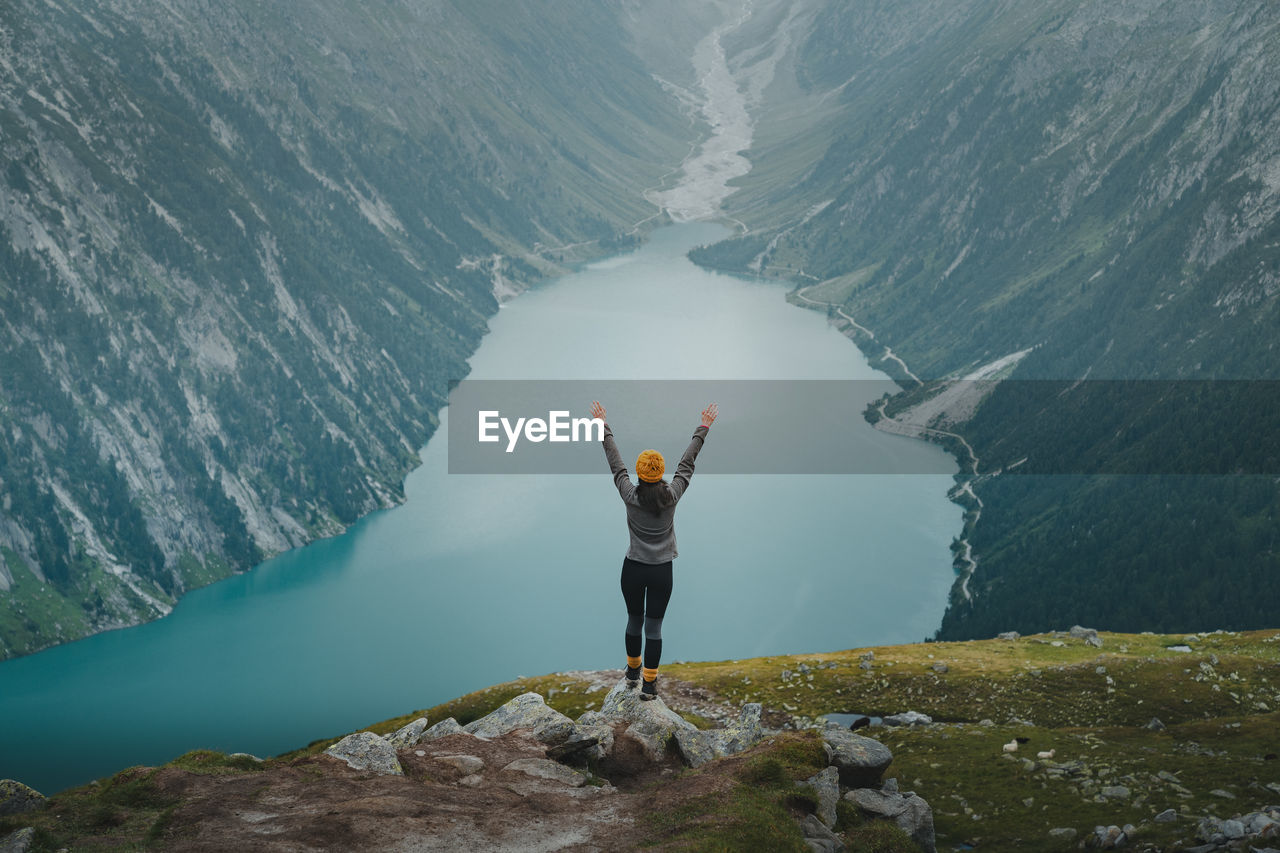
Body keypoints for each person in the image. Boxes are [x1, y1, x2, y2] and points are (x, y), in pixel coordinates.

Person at [589, 400, 717, 701]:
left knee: (634, 619)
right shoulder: (671, 495)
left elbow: (615, 462)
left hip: (633, 567)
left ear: (639, 473)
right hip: (662, 571)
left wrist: (602, 424)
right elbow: (687, 464)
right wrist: (703, 428)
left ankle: (632, 672)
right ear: (660, 473)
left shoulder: (629, 495)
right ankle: (648, 685)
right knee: (654, 627)